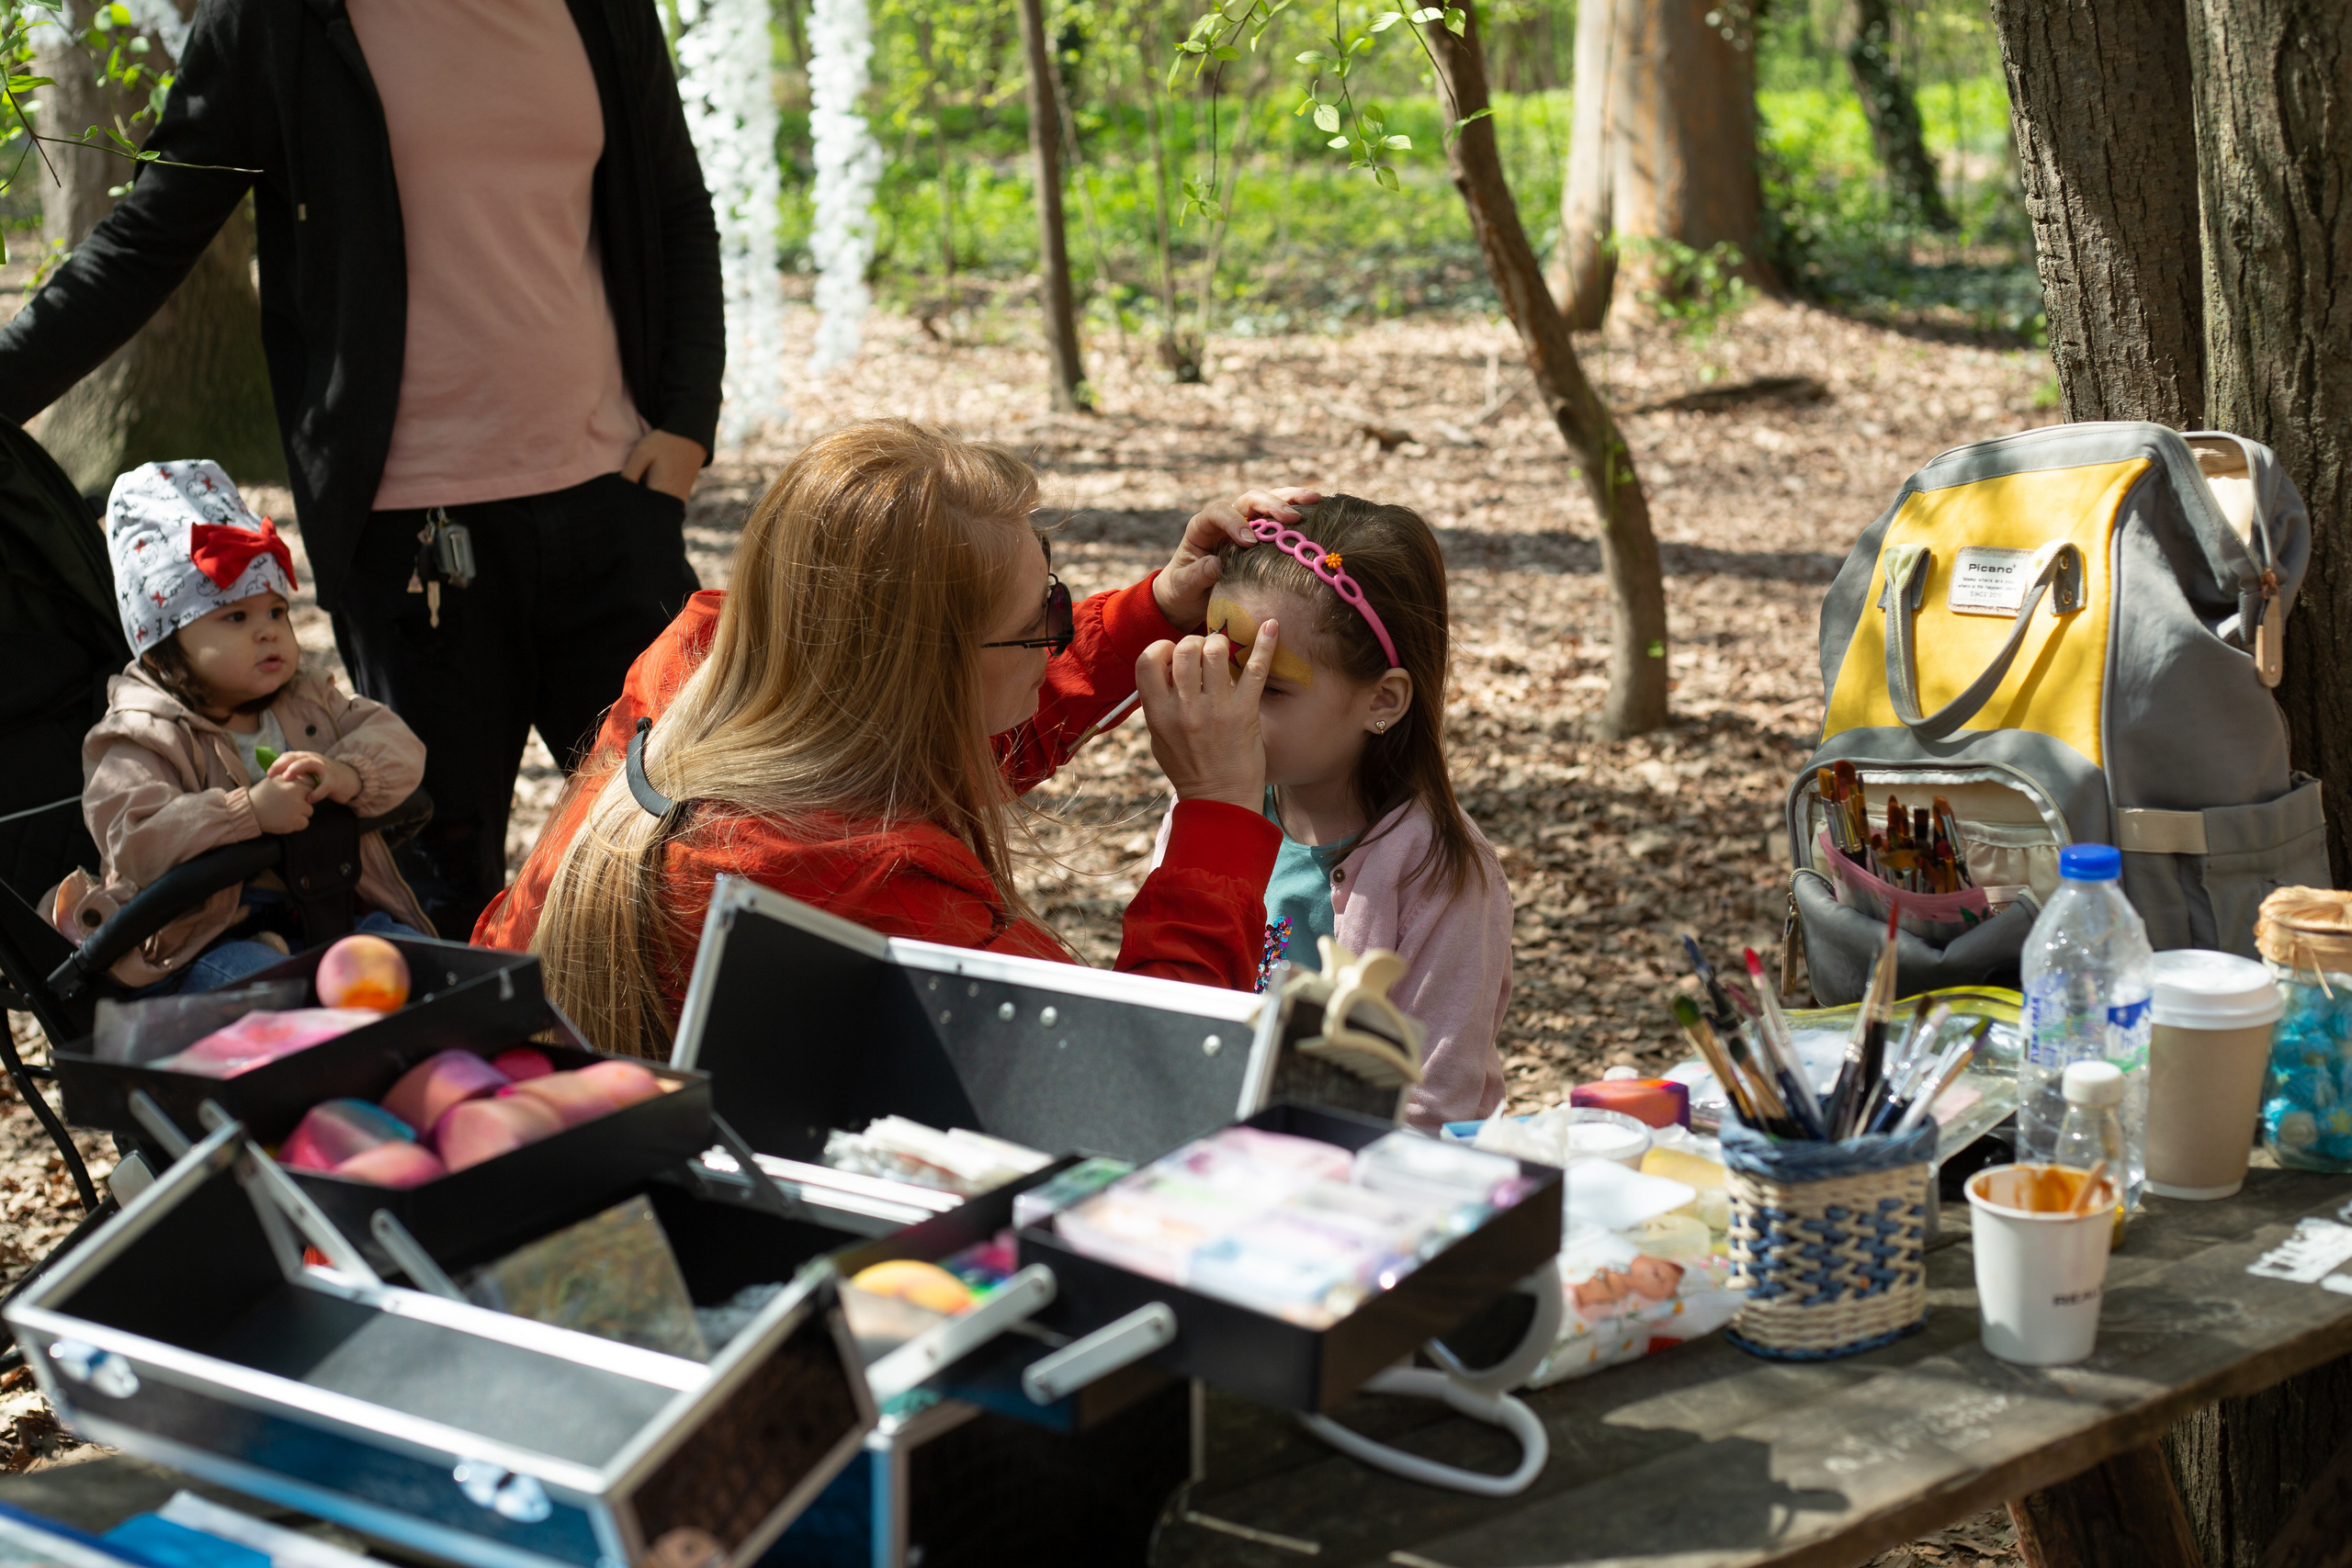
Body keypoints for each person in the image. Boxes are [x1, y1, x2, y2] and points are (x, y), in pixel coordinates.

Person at [0, 0, 724, 939]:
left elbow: (673, 206)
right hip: (414, 539)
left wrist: (685, 422)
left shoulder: (601, 10)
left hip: (614, 501)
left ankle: (683, 1080)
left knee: (685, 845)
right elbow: (149, 236)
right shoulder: (280, 23)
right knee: (434, 884)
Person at [476, 419, 1309, 1057]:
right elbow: (1135, 1070)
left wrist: (1154, 608)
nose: (1057, 640)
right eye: (1038, 624)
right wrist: (1217, 814)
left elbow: (936, 734)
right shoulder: (857, 876)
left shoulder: (712, 664)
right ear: (919, 674)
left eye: (1055, 600)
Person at [1157, 494, 1512, 1128]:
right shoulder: (1206, 813)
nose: (1232, 707)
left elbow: (1433, 1104)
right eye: (1222, 667)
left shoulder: (1443, 876)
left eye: (1270, 687)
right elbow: (1163, 1021)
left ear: (1382, 698)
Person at [51, 462, 432, 993]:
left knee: (435, 974)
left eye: (277, 613)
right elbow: (135, 842)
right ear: (166, 644)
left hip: (331, 910)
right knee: (285, 1003)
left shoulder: (305, 699)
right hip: (203, 945)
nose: (268, 634)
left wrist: (347, 773)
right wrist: (246, 813)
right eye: (236, 618)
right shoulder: (139, 734)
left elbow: (400, 746)